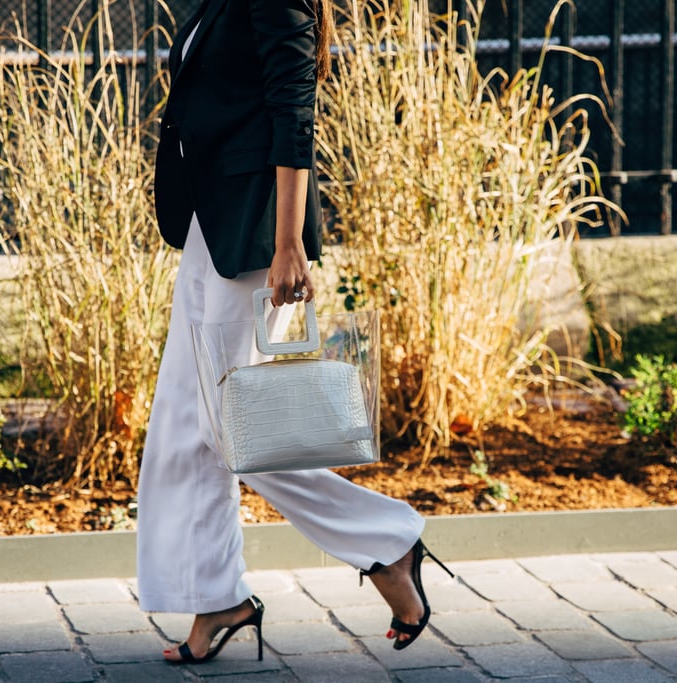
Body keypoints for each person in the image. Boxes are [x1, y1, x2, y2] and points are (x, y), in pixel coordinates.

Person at [136, 0, 451, 664]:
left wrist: (288, 243)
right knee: (184, 424)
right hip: (210, 224)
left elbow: (293, 113)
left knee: (238, 429)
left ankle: (386, 541)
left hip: (253, 231)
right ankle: (216, 595)